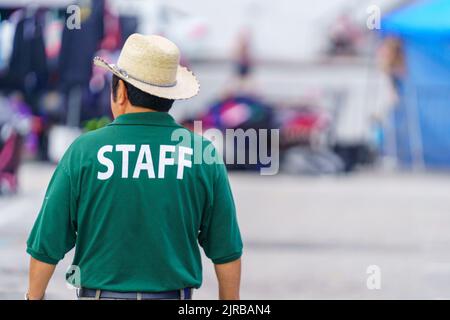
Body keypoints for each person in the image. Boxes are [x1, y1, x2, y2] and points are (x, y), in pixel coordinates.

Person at [25, 34, 243, 300]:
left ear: (121, 91)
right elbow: (226, 250)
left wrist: (32, 297)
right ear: (170, 96)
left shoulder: (85, 151)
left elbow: (46, 243)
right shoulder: (201, 154)